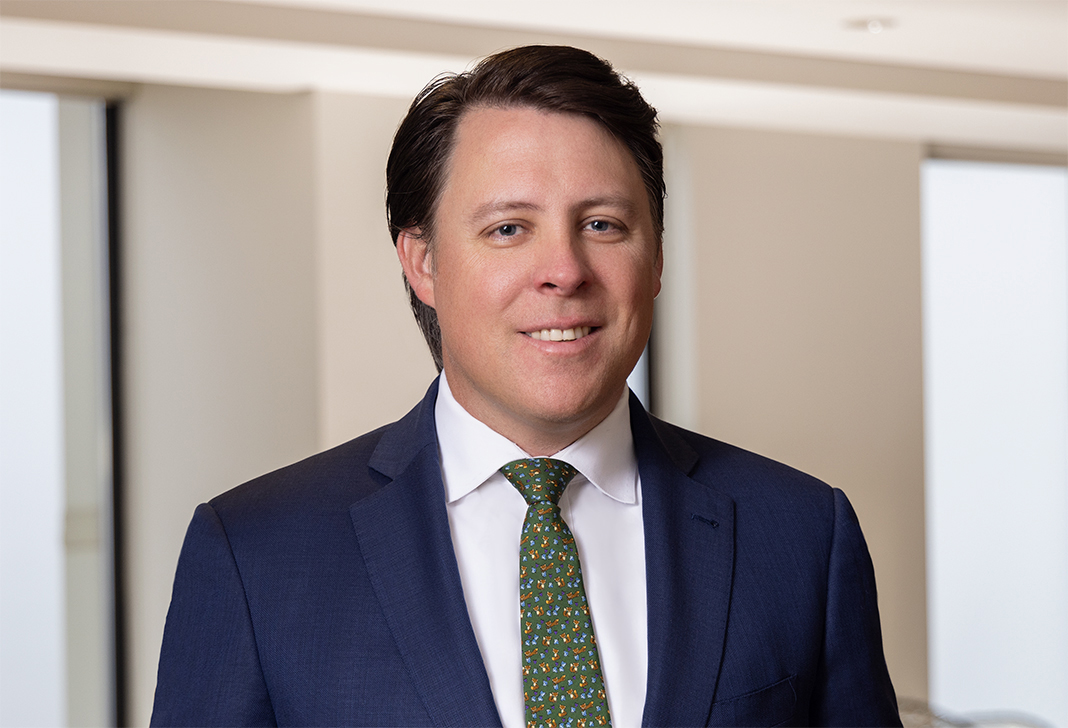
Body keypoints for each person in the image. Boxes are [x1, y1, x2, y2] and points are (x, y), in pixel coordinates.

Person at [151, 45, 901, 727]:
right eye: (508, 228)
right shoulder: (255, 554)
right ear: (423, 263)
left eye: (603, 225)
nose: (565, 271)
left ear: (656, 258)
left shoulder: (802, 534)